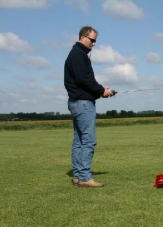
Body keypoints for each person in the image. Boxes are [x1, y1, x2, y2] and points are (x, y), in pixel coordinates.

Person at [64, 26, 113, 187]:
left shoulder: (77, 54)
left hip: (77, 102)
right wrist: (101, 90)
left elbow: (84, 82)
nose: (94, 44)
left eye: (95, 41)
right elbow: (83, 80)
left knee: (79, 140)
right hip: (83, 104)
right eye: (92, 40)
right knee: (88, 141)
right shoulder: (78, 55)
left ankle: (78, 176)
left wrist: (101, 92)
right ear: (83, 37)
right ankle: (85, 177)